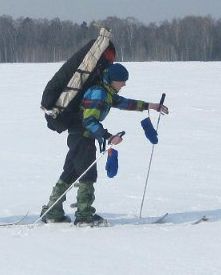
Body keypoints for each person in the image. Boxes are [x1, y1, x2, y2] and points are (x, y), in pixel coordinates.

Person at [41, 62, 169, 226]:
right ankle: (84, 216)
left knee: (70, 173)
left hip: (78, 137)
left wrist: (151, 106)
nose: (124, 84)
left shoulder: (105, 92)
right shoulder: (98, 94)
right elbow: (89, 121)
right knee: (87, 176)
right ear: (111, 80)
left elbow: (124, 103)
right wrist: (108, 136)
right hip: (83, 138)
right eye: (122, 81)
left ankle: (53, 212)